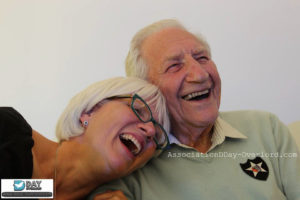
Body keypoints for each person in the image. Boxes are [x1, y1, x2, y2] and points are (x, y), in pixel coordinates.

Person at [89, 19, 300, 199]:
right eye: (174, 66)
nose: (199, 74)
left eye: (202, 58)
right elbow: (57, 188)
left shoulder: (265, 128)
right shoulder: (129, 159)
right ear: (146, 91)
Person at [0, 77, 170, 200]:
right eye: (138, 110)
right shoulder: (7, 131)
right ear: (88, 112)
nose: (149, 131)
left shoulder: (47, 188)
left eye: (157, 135)